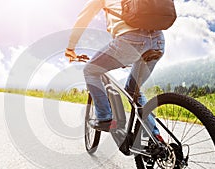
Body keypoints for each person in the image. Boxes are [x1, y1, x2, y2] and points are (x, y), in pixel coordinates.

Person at [65, 0, 165, 155]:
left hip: (130, 40)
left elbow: (83, 19)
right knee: (134, 91)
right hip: (158, 41)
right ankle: (156, 137)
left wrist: (71, 47)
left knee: (91, 70)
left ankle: (105, 118)